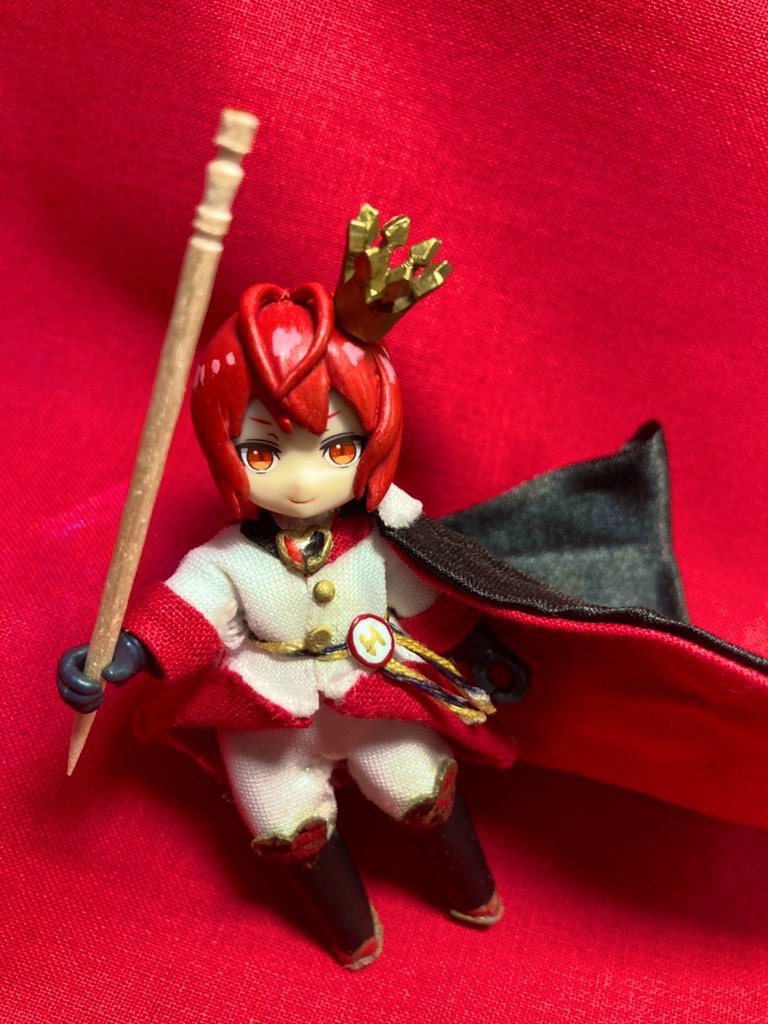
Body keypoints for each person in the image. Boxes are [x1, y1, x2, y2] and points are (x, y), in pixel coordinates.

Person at [57, 214, 518, 970]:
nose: (303, 480)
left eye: (336, 448)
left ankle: (470, 888)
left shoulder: (379, 536)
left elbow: (427, 602)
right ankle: (351, 929)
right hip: (266, 712)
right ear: (226, 449)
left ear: (373, 440)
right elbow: (184, 614)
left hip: (373, 688)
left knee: (420, 786)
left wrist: (483, 649)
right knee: (282, 825)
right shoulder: (228, 559)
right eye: (265, 453)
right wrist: (117, 656)